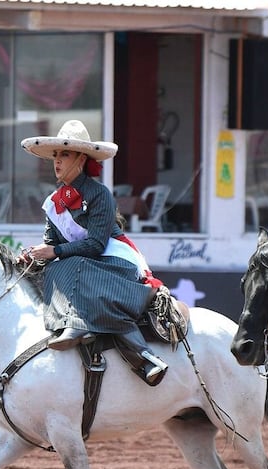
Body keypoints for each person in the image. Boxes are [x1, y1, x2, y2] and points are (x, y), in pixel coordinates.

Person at [19, 119, 169, 386]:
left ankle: (138, 353)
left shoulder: (100, 195)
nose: (57, 161)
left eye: (64, 154)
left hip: (113, 259)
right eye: (56, 155)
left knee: (70, 264)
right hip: (80, 262)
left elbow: (96, 246)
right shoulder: (54, 203)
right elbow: (51, 243)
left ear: (81, 159)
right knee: (56, 267)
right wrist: (34, 256)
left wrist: (55, 251)